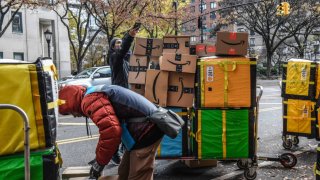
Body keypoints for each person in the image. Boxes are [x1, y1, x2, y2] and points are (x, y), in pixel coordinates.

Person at [59, 85, 164, 180]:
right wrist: (100, 159)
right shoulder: (93, 95)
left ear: (72, 103)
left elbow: (111, 132)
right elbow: (111, 130)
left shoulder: (91, 100)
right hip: (138, 132)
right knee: (124, 173)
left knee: (138, 175)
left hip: (146, 131)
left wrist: (100, 163)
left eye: (69, 112)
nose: (73, 115)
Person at [108, 27, 139, 164]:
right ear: (113, 47)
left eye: (121, 42)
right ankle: (115, 153)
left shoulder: (125, 60)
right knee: (120, 125)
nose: (119, 45)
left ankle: (123, 151)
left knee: (126, 124)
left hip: (126, 95)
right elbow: (124, 50)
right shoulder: (115, 57)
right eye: (117, 43)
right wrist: (129, 36)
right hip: (119, 97)